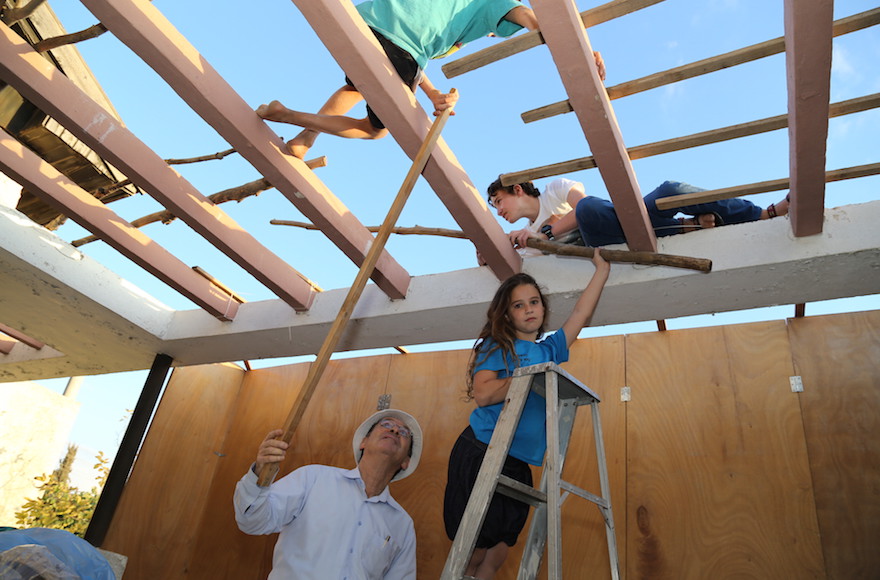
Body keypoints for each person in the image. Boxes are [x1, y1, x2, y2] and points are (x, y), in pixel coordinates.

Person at [256, 0, 606, 159]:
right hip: (398, 48)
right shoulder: (494, 5)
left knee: (356, 85)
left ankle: (304, 139)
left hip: (363, 20)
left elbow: (410, 62)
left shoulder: (456, 14)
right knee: (375, 129)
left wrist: (434, 92)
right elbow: (533, 18)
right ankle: (289, 116)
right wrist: (576, 46)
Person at [443, 251, 610, 579]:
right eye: (519, 305)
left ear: (543, 308)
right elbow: (484, 394)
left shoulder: (549, 350)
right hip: (483, 449)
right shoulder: (497, 347)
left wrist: (601, 270)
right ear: (507, 315)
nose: (529, 309)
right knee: (474, 548)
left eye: (534, 302)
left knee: (500, 550)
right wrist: (526, 375)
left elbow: (581, 312)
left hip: (518, 461)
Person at [234, 409, 423, 580]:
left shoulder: (402, 525)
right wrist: (260, 473)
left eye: (404, 432)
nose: (395, 431)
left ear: (406, 461)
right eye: (386, 425)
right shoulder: (313, 478)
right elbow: (252, 521)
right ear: (363, 442)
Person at [487, 177, 791, 255]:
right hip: (600, 244)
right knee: (594, 219)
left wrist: (546, 232)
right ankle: (682, 227)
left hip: (613, 219)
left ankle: (762, 214)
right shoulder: (526, 238)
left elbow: (581, 208)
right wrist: (487, 252)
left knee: (671, 189)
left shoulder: (555, 189)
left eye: (499, 201)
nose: (499, 211)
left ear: (518, 190)